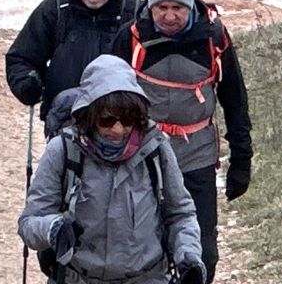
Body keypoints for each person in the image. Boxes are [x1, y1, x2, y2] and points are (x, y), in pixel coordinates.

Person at [111, 0, 255, 280]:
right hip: (142, 156)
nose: (170, 16)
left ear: (191, 5)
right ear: (150, 4)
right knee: (142, 249)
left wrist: (242, 159)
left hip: (197, 157)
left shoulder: (214, 38)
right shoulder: (130, 38)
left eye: (178, 7)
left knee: (202, 254)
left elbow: (234, 98)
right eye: (162, 6)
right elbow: (104, 94)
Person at [20, 55, 204, 284]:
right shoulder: (64, 150)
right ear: (90, 115)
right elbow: (29, 223)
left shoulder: (155, 147)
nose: (118, 130)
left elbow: (180, 214)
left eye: (127, 120)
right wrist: (53, 229)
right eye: (107, 120)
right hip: (78, 277)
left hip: (148, 277)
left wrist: (189, 257)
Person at [5, 0, 144, 137]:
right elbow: (21, 57)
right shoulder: (56, 9)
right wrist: (27, 83)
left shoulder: (134, 12)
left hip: (121, 126)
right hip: (65, 123)